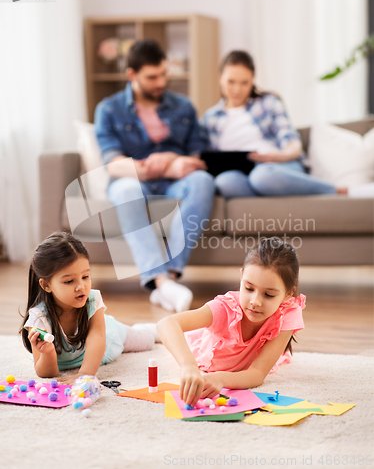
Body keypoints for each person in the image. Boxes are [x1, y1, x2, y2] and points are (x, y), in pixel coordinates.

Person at [95, 39, 215, 313]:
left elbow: (198, 157)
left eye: (163, 74)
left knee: (203, 181)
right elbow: (113, 163)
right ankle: (162, 283)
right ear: (132, 75)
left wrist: (174, 161)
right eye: (152, 77)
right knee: (124, 190)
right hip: (134, 178)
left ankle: (169, 277)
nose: (161, 81)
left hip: (177, 180)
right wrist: (151, 166)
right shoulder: (109, 109)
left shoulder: (183, 106)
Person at [157, 237, 305, 407]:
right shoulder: (225, 309)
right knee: (163, 334)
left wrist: (220, 378)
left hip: (233, 363)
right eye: (249, 288)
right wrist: (189, 366)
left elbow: (257, 374)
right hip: (204, 345)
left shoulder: (288, 313)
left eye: (268, 295)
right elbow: (166, 323)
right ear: (242, 276)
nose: (255, 301)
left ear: (288, 294)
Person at [200, 50, 348, 198]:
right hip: (241, 174)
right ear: (220, 78)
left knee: (263, 177)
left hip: (278, 167)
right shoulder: (210, 118)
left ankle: (332, 189)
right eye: (231, 82)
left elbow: (293, 144)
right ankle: (268, 191)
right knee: (225, 183)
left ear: (253, 80)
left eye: (244, 83)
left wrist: (279, 156)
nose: (237, 89)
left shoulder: (269, 103)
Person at [20, 232, 160, 384]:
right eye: (69, 281)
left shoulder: (92, 299)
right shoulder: (38, 318)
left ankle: (151, 328)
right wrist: (48, 353)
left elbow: (98, 338)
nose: (81, 287)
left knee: (148, 340)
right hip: (82, 350)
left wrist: (86, 373)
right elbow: (48, 374)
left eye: (85, 277)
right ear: (46, 285)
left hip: (108, 336)